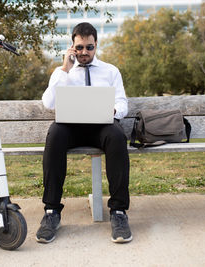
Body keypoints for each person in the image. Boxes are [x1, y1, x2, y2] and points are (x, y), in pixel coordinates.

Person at [36, 22, 132, 244]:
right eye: (79, 47)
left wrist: (114, 109)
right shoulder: (62, 73)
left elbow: (122, 103)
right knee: (55, 133)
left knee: (117, 136)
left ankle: (118, 212)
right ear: (72, 46)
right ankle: (51, 212)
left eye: (89, 47)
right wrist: (64, 70)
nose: (84, 52)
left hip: (101, 128)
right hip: (72, 129)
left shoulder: (110, 71)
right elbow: (48, 103)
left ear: (96, 45)